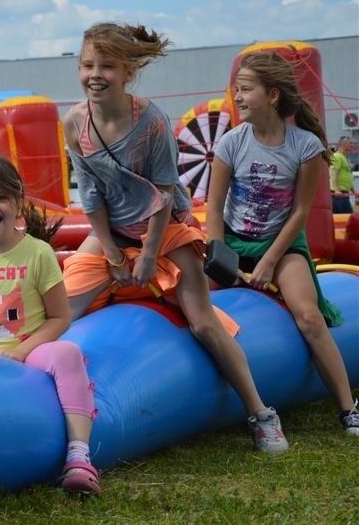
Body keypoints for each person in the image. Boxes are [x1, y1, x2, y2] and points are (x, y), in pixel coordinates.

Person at [60, 22, 289, 453]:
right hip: (111, 231)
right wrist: (111, 253)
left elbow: (164, 194)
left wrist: (147, 257)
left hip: (164, 228)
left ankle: (261, 413)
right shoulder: (74, 124)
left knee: (202, 322)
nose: (95, 74)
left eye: (107, 66)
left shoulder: (151, 122)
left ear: (127, 73)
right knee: (61, 306)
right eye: (88, 64)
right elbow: (89, 193)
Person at [206, 51, 359, 436]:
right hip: (235, 241)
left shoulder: (305, 146)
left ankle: (347, 407)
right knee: (194, 305)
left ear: (272, 95)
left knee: (308, 317)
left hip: (283, 244)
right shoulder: (230, 143)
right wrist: (218, 257)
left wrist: (271, 261)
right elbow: (213, 208)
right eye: (236, 90)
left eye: (245, 90)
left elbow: (299, 213)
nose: (237, 98)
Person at [0, 155, 101, 495]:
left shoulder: (38, 253)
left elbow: (60, 317)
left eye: (1, 197)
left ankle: (79, 455)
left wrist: (19, 351)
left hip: (30, 352)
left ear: (18, 204)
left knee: (68, 353)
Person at [329, 136, 354, 214]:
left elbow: (348, 174)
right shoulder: (337, 156)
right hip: (338, 194)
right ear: (342, 144)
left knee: (347, 216)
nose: (352, 145)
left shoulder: (345, 158)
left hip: (344, 193)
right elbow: (334, 174)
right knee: (344, 217)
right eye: (350, 143)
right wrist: (337, 190)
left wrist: (353, 191)